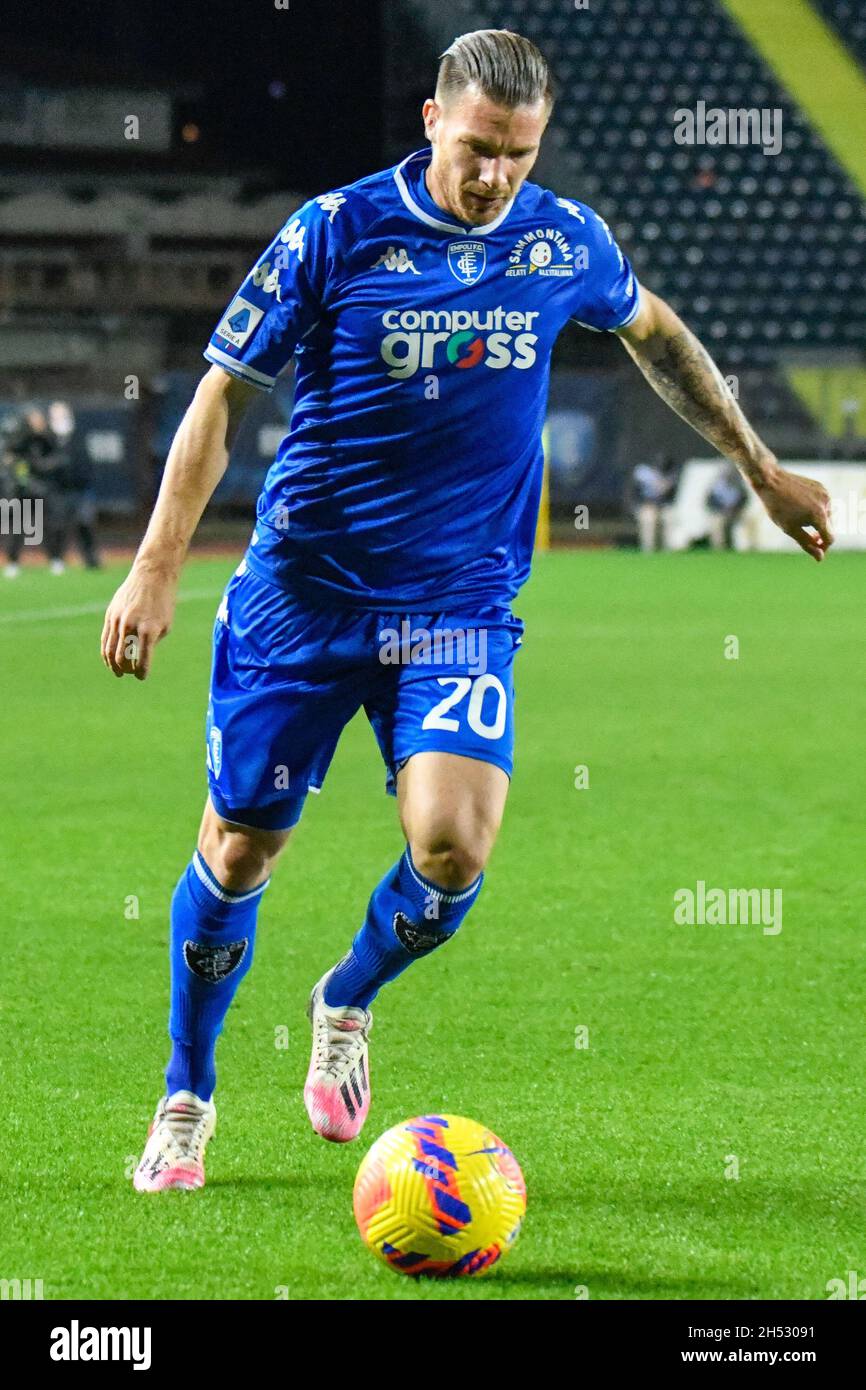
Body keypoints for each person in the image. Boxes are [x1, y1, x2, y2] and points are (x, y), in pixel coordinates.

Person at [100, 29, 833, 1192]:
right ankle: (187, 1092)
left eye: (520, 155)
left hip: (456, 605)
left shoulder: (563, 238)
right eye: (480, 149)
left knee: (450, 853)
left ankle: (344, 999)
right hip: (304, 597)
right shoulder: (334, 232)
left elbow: (655, 333)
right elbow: (220, 398)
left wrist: (756, 463)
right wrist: (153, 568)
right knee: (238, 847)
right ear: (434, 120)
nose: (496, 178)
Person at [2, 408, 67, 576]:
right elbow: (10, 460)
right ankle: (12, 562)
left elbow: (57, 459)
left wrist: (42, 467)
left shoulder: (48, 438)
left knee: (50, 525)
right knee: (17, 527)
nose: (38, 422)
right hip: (22, 490)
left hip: (43, 490)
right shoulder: (19, 439)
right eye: (34, 419)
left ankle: (55, 559)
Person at [630, 453, 678, 551]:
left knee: (670, 517)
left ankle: (669, 550)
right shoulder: (643, 473)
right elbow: (632, 493)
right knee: (650, 518)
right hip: (647, 505)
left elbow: (674, 497)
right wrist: (636, 507)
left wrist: (667, 488)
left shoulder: (672, 476)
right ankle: (649, 550)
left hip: (665, 506)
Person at [707, 462, 749, 550]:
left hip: (736, 512)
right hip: (720, 512)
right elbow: (710, 501)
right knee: (717, 523)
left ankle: (750, 546)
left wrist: (734, 509)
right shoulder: (717, 487)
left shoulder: (739, 485)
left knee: (750, 521)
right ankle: (720, 548)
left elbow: (744, 499)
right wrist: (722, 509)